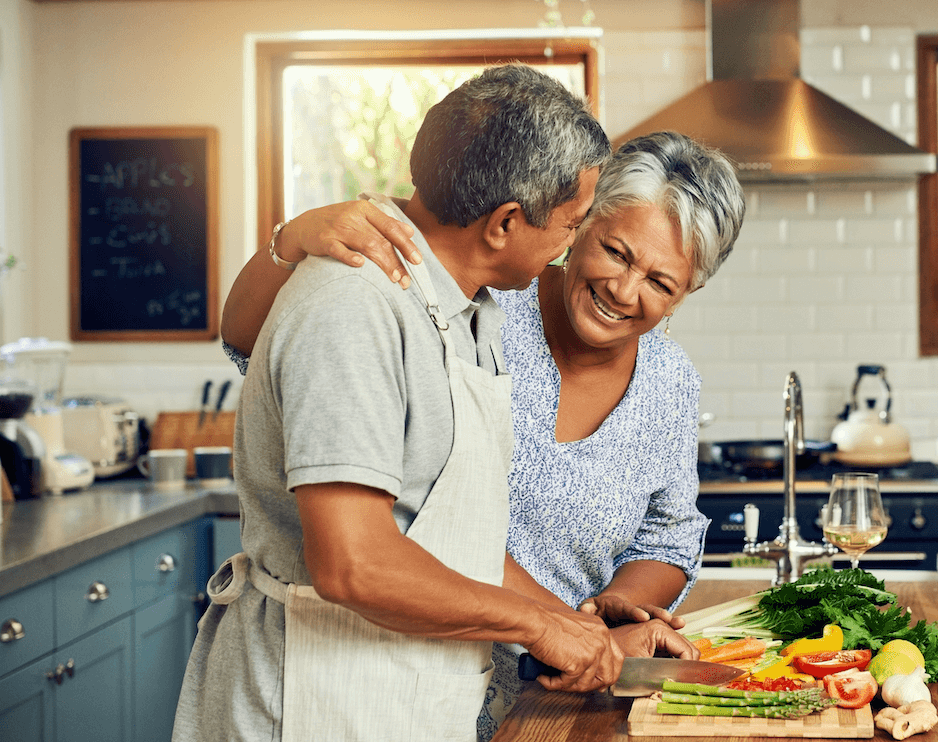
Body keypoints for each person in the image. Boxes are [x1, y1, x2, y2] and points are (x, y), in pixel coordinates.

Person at [220, 130, 747, 739]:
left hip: (562, 685)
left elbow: (669, 533)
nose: (624, 292)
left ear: (688, 293)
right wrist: (291, 240)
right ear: (580, 223)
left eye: (661, 283)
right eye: (617, 252)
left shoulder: (671, 381)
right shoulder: (480, 300)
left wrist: (602, 618)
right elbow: (254, 341)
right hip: (399, 666)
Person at [173, 64, 636, 742]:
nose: (569, 248)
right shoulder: (353, 306)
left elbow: (448, 540)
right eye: (569, 225)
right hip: (312, 705)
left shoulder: (465, 308)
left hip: (399, 695)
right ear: (505, 222)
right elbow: (354, 562)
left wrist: (585, 631)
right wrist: (539, 627)